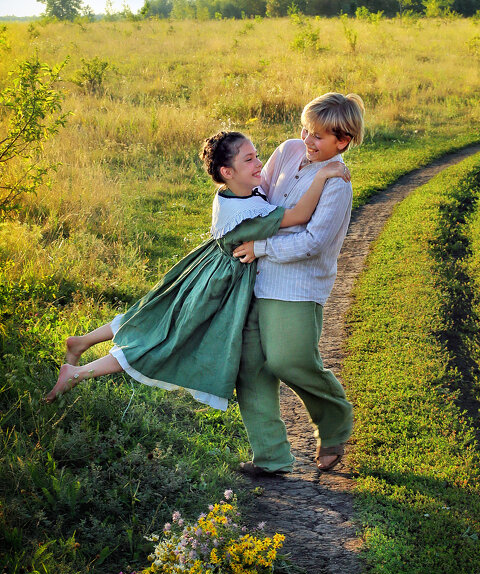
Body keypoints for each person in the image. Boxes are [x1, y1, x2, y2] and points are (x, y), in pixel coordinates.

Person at [45, 130, 349, 405]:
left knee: (151, 316)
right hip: (217, 283)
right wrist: (323, 175)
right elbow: (298, 215)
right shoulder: (250, 215)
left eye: (257, 155)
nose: (260, 164)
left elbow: (264, 194)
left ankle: (81, 342)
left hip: (202, 266)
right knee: (163, 339)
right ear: (228, 172)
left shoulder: (233, 193)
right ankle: (77, 374)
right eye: (250, 159)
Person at [233, 92, 365, 475]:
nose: (307, 141)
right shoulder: (289, 151)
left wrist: (260, 247)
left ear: (343, 141)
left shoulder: (338, 183)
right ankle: (271, 458)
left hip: (297, 285)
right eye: (306, 130)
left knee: (289, 361)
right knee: (252, 369)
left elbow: (313, 243)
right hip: (252, 279)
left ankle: (335, 418)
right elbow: (262, 200)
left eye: (319, 137)